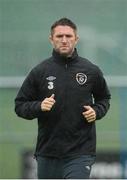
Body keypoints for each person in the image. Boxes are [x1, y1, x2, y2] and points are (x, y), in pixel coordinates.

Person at [15, 17, 111, 179]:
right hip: (48, 152)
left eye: (69, 36)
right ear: (51, 40)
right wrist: (39, 106)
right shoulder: (40, 71)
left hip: (80, 152)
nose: (64, 40)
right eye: (59, 36)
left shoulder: (90, 70)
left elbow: (104, 98)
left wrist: (97, 111)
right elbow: (20, 105)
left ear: (76, 39)